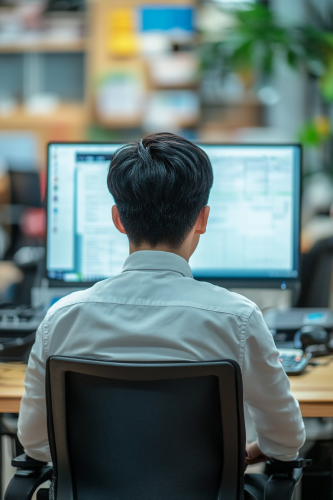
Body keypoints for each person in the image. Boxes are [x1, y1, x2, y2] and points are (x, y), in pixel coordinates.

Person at [18, 133, 305, 472]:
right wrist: (252, 450)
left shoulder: (62, 318)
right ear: (202, 219)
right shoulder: (237, 318)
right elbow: (286, 443)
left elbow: (35, 443)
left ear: (118, 219)